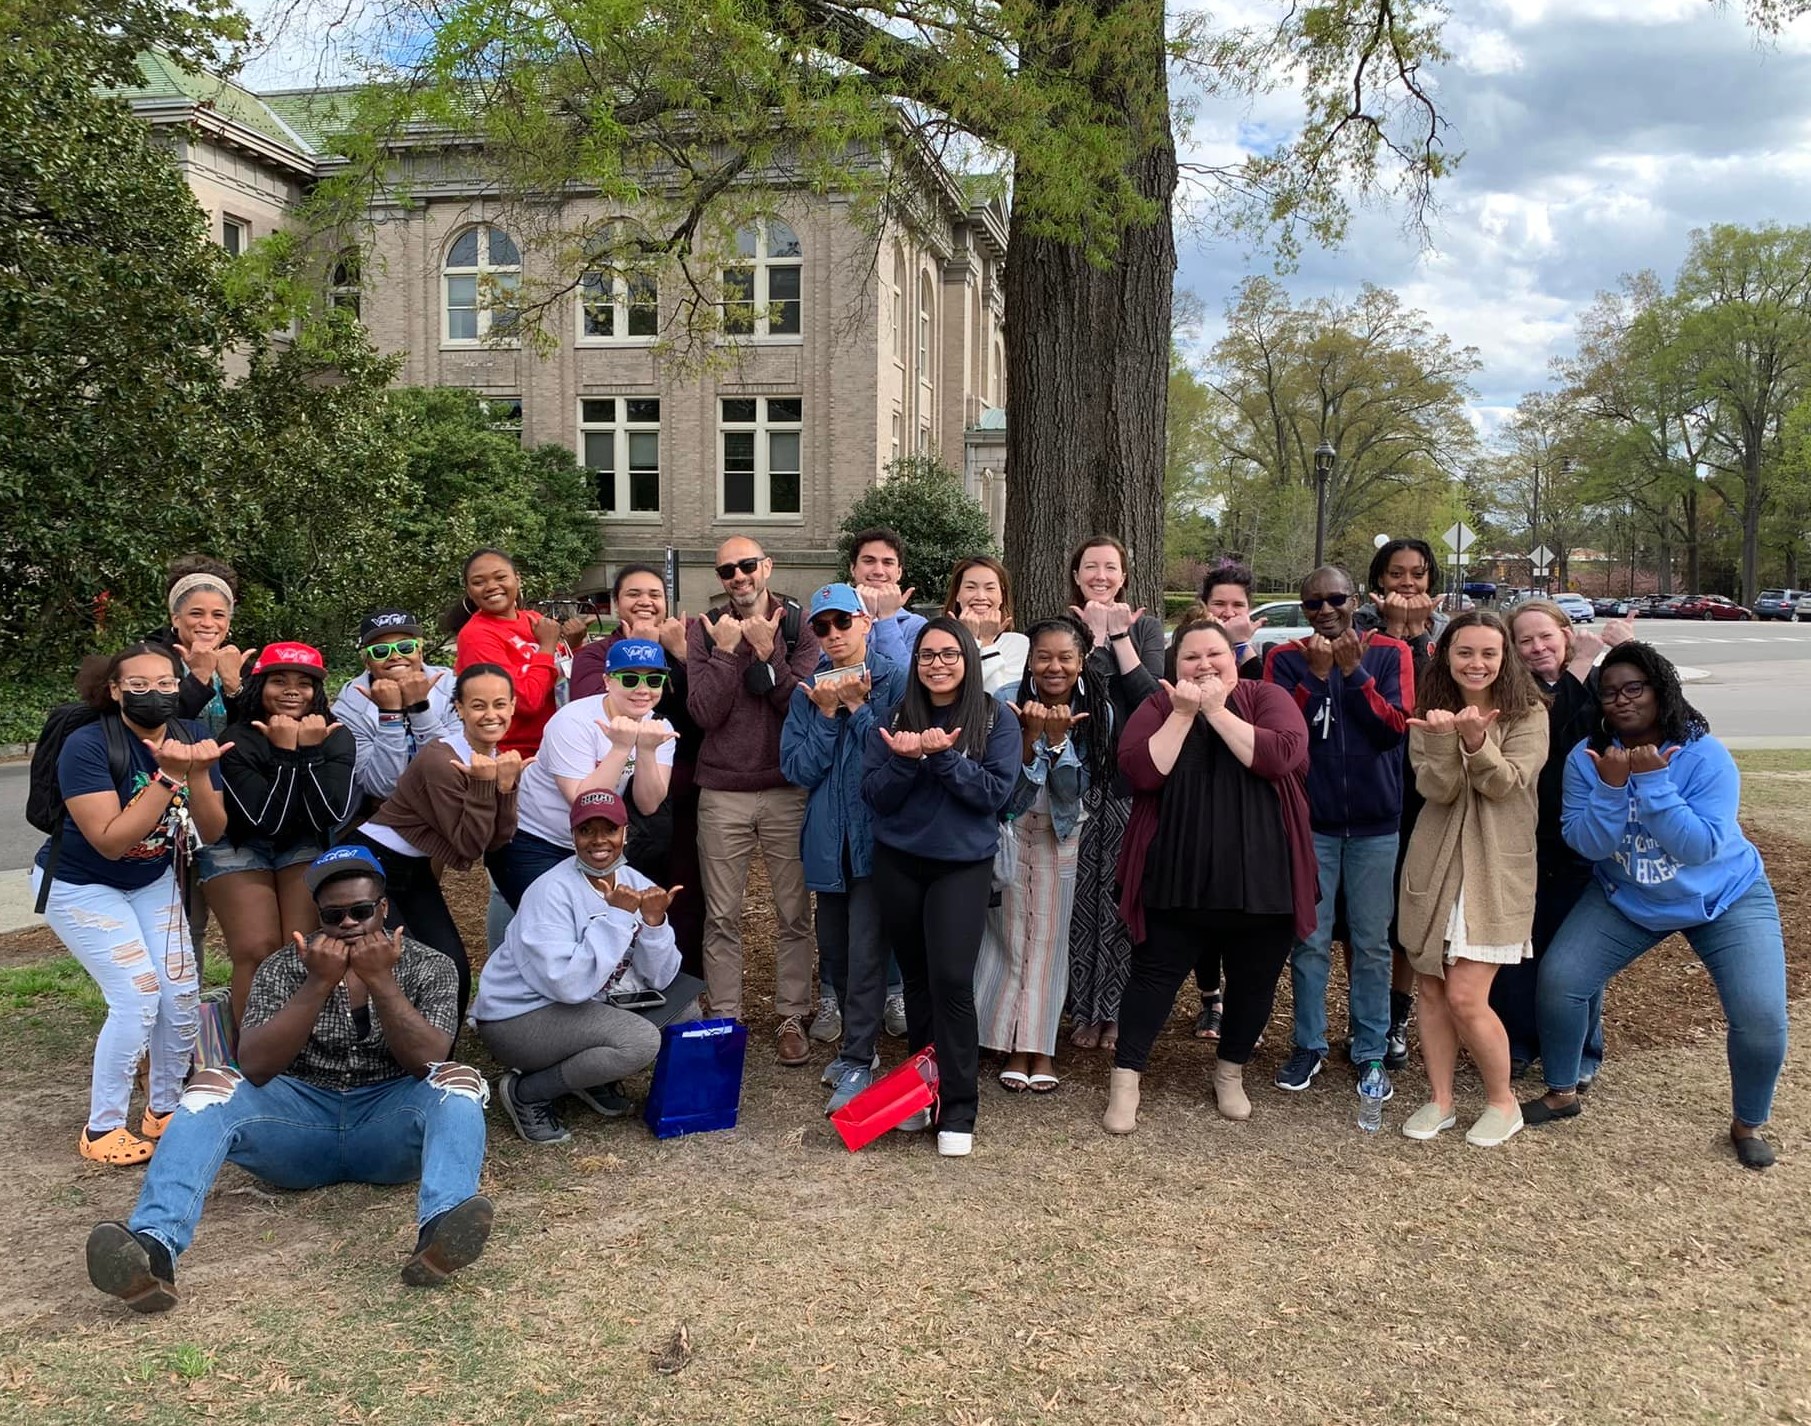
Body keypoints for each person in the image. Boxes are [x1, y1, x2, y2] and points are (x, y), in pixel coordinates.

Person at [84, 846, 493, 1313]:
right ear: (318, 916)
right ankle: (152, 1248)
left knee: (459, 1082)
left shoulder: (431, 965)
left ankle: (441, 1232)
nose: (348, 925)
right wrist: (317, 983)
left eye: (361, 912)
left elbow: (427, 1061)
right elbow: (255, 1065)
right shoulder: (283, 967)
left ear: (383, 908)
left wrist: (380, 980)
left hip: (388, 1126)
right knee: (209, 1088)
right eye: (333, 915)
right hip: (298, 1127)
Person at [1526, 643, 1789, 1170]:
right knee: (1561, 979)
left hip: (1725, 897)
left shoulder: (1703, 753)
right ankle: (1562, 1091)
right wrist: (1612, 786)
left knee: (1760, 1016)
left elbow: (1699, 847)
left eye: (1633, 689)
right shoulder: (1588, 757)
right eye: (1608, 693)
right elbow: (1587, 843)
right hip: (1628, 898)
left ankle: (1748, 1122)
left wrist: (1652, 783)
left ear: (1660, 690)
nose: (1621, 702)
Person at [1104, 619, 1314, 1132]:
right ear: (1174, 666)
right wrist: (1182, 714)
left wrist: (1216, 710)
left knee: (1254, 981)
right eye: (1190, 657)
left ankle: (1230, 1072)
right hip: (1177, 873)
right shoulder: (1159, 705)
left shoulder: (1266, 695)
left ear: (1233, 657)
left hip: (1263, 876)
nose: (1203, 665)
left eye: (1213, 654)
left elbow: (1281, 756)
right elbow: (1142, 772)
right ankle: (1126, 1081)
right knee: (1152, 979)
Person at [31, 643, 230, 1165]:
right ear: (114, 690)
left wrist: (201, 772)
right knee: (138, 995)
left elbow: (211, 829)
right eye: (137, 685)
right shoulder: (88, 744)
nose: (154, 694)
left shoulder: (190, 736)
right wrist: (167, 777)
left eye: (165, 684)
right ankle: (102, 1128)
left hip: (150, 879)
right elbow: (111, 840)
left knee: (181, 990)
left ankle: (164, 1109)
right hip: (80, 883)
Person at [862, 619, 1020, 1157]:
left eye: (949, 654)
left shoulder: (996, 719)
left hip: (961, 867)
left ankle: (958, 1105)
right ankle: (919, 1094)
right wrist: (907, 761)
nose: (937, 664)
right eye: (927, 655)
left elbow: (996, 795)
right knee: (917, 981)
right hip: (900, 864)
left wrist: (944, 758)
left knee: (952, 980)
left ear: (968, 660)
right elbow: (876, 796)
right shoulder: (895, 717)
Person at [1396, 612, 1548, 1148]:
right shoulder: (1428, 715)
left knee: (1466, 995)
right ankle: (1440, 1100)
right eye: (1465, 652)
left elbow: (1506, 784)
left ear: (1504, 658)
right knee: (1432, 990)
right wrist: (1442, 740)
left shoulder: (1529, 715)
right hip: (1435, 867)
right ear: (1446, 655)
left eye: (1488, 653)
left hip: (1494, 871)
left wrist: (1476, 740)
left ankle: (1502, 1103)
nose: (1476, 664)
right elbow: (1436, 791)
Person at [1263, 566, 1414, 1100]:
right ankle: (1308, 1044)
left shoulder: (1391, 653)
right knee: (1309, 939)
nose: (1325, 610)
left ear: (1355, 601)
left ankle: (1370, 1047)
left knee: (1372, 942)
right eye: (1312, 603)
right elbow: (1283, 739)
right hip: (1312, 823)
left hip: (1376, 824)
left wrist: (1353, 675)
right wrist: (1313, 678)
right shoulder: (1284, 659)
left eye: (1335, 599)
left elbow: (1393, 731)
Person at [473, 790, 701, 1144]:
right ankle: (527, 1091)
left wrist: (654, 924)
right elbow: (568, 986)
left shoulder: (637, 883)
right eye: (586, 831)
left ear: (625, 832)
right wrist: (619, 917)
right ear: (573, 835)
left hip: (584, 1004)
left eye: (608, 829)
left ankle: (591, 1078)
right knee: (638, 1043)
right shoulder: (550, 890)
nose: (598, 841)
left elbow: (661, 978)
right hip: (518, 1019)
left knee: (685, 1011)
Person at [687, 537, 821, 1064]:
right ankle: (725, 1017)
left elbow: (804, 708)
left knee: (793, 912)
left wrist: (768, 652)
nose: (738, 576)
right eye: (727, 570)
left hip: (787, 788)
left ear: (767, 565)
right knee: (722, 914)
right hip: (723, 791)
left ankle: (791, 1013)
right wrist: (725, 651)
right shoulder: (706, 630)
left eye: (747, 565)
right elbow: (704, 713)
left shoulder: (801, 624)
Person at [779, 585, 908, 1111]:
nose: (833, 635)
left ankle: (860, 1053)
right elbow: (798, 769)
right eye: (821, 627)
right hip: (829, 839)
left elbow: (890, 755)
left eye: (842, 623)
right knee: (835, 944)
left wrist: (854, 708)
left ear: (864, 622)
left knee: (868, 945)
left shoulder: (895, 679)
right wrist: (827, 716)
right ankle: (859, 1042)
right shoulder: (806, 690)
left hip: (879, 838)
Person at [1496, 600, 1633, 1084]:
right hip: (1523, 840)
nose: (1537, 648)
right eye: (1524, 640)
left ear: (1566, 632)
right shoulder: (1509, 693)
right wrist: (1580, 663)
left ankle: (1581, 1052)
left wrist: (1625, 649)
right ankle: (1516, 1043)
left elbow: (1655, 706)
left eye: (1545, 636)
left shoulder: (1601, 686)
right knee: (1517, 950)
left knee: (1578, 955)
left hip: (1583, 840)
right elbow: (1545, 732)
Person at [976, 616, 1110, 1095]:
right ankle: (1010, 1041)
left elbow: (1075, 792)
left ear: (1082, 661)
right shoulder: (1005, 701)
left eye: (1065, 658)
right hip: (1012, 830)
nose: (1055, 667)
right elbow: (1004, 791)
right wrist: (1029, 738)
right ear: (1030, 659)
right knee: (1010, 935)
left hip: (1062, 831)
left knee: (1049, 940)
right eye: (1044, 657)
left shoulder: (1097, 708)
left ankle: (1042, 1046)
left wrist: (1057, 744)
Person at [346, 664, 525, 1018]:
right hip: (369, 862)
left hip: (411, 868)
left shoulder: (493, 760)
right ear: (458, 708)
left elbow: (497, 841)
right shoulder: (442, 760)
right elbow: (469, 847)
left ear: (514, 706)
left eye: (500, 704)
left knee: (451, 965)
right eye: (478, 705)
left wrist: (505, 788)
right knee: (401, 965)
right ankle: (394, 1055)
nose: (491, 715)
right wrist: (487, 786)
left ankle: (442, 1063)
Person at [209, 643, 357, 1024]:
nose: (292, 690)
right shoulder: (236, 738)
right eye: (279, 680)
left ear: (317, 692)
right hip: (238, 842)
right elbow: (265, 821)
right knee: (257, 949)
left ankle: (296, 1051)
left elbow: (329, 814)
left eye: (304, 683)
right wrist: (287, 754)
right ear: (259, 686)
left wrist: (305, 753)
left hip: (301, 841)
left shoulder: (336, 735)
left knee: (300, 947)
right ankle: (250, 1056)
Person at [572, 564, 704, 972]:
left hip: (680, 790)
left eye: (654, 594)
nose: (645, 602)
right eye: (633, 594)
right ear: (615, 603)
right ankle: (616, 977)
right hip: (615, 795)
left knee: (683, 894)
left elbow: (705, 711)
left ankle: (682, 980)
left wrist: (679, 655)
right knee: (620, 891)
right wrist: (637, 657)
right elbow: (597, 708)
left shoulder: (688, 644)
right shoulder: (595, 654)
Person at [1065, 535, 1166, 1052]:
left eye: (1110, 567)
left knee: (1122, 900)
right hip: (1078, 784)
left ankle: (1117, 1010)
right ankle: (1083, 1008)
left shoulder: (1146, 627)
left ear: (1124, 576)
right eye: (1091, 567)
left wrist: (1116, 638)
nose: (1101, 575)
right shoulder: (1065, 628)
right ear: (1077, 575)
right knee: (1081, 901)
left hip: (1130, 787)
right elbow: (1074, 690)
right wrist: (1091, 642)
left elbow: (1150, 698)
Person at [488, 639, 678, 909]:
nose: (643, 690)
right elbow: (583, 801)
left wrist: (646, 750)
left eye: (654, 680)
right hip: (536, 837)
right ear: (607, 681)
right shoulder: (572, 721)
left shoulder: (659, 727)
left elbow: (648, 805)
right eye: (629, 679)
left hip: (593, 843)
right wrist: (621, 747)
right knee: (547, 922)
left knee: (584, 921)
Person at [1188, 560, 1265, 1040]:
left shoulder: (1258, 657)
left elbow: (1260, 700)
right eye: (1220, 604)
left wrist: (1239, 646)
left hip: (1246, 798)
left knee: (1241, 908)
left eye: (1238, 605)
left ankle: (1239, 1005)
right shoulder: (1189, 651)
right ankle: (1209, 1000)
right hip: (1198, 793)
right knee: (1200, 905)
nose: (1229, 612)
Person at [447, 547, 585, 758]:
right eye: (478, 582)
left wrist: (573, 647)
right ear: (469, 590)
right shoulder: (476, 635)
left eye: (500, 577)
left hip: (559, 746)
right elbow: (525, 702)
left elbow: (560, 681)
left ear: (517, 579)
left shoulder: (532, 619)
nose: (491, 586)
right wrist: (547, 647)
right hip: (516, 757)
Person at [331, 608, 459, 809]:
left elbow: (454, 773)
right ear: (367, 661)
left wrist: (420, 709)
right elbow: (382, 787)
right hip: (389, 810)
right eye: (381, 651)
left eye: (406, 647)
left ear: (420, 652)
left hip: (451, 803)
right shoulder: (349, 707)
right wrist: (390, 715)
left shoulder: (452, 687)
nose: (395, 656)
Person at [145, 556, 252, 732]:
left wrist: (234, 686)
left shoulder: (241, 666)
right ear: (176, 619)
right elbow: (152, 724)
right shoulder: (148, 661)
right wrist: (199, 678)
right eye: (196, 614)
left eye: (218, 615)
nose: (208, 623)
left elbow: (256, 732)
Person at [943, 555, 1029, 697]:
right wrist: (969, 638)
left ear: (1001, 596)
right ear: (957, 594)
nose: (981, 596)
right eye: (971, 587)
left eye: (990, 588)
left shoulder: (1017, 643)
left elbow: (999, 698)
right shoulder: (939, 642)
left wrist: (986, 642)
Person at [848, 527, 927, 662]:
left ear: (899, 572)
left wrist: (887, 620)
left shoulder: (916, 626)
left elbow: (904, 678)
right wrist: (866, 619)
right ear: (853, 569)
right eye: (869, 561)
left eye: (888, 563)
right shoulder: (830, 619)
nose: (879, 571)